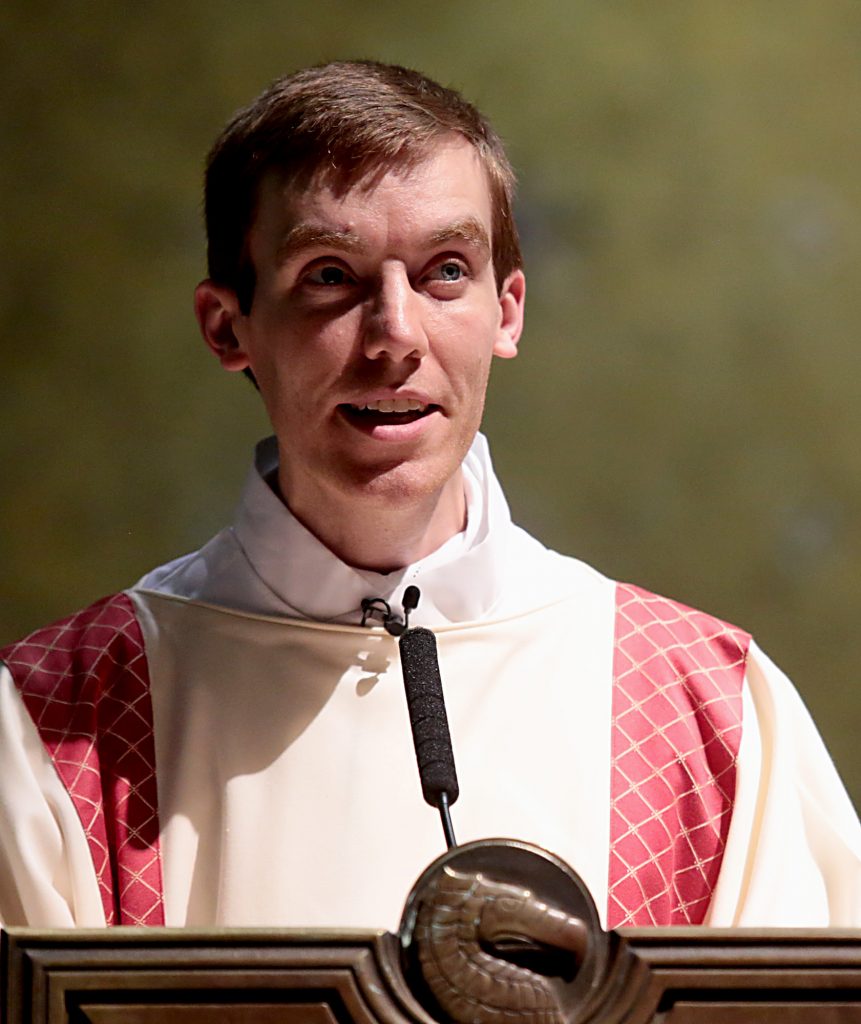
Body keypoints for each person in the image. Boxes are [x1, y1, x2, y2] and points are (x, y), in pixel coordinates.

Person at [1, 60, 859, 933]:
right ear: (229, 326)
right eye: (329, 276)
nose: (395, 337)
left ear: (507, 311)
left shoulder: (699, 709)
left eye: (445, 270)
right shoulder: (62, 719)